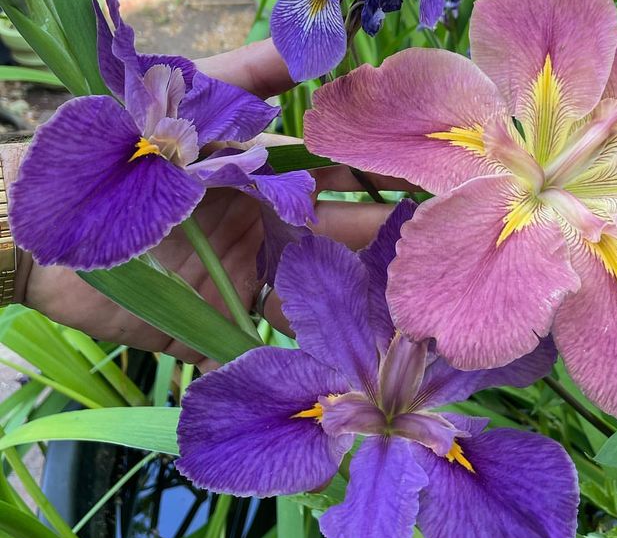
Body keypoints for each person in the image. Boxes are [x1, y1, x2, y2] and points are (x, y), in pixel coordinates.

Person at [0, 38, 398, 370]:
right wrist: (28, 258)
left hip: (187, 166)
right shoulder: (143, 149)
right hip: (141, 154)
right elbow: (130, 63)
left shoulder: (193, 140)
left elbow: (257, 155)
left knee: (293, 211)